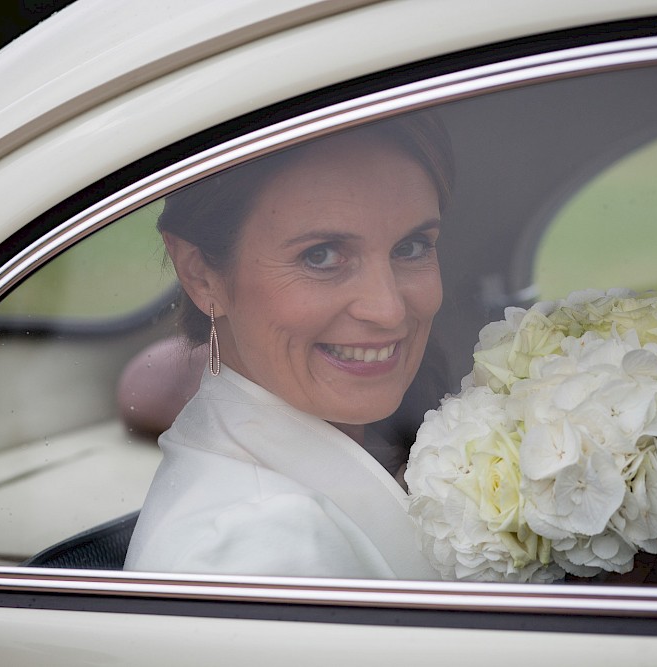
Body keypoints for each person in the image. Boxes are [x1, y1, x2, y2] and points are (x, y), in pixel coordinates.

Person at [124, 114, 453, 579]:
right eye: (321, 255)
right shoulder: (263, 546)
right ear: (201, 274)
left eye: (413, 247)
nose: (389, 310)